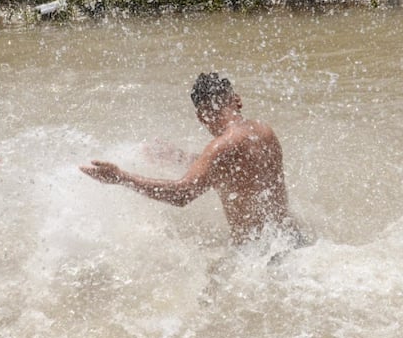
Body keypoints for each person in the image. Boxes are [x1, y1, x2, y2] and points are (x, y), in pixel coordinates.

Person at [80, 72, 307, 249]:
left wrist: (121, 177)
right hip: (290, 237)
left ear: (201, 116)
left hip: (258, 253)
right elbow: (234, 169)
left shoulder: (220, 147)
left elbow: (182, 194)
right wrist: (179, 157)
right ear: (237, 101)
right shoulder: (263, 130)